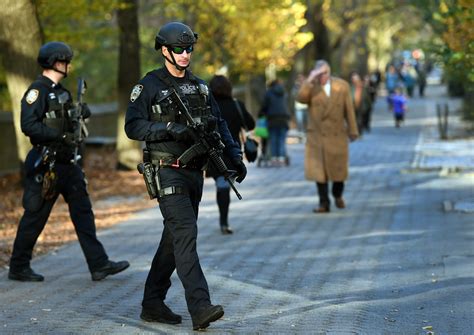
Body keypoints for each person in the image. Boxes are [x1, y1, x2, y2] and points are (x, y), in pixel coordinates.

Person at [125, 22, 247, 330]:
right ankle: (200, 306)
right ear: (165, 50)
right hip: (167, 171)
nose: (184, 54)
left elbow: (219, 125)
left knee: (174, 238)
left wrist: (235, 157)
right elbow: (133, 125)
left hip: (195, 173)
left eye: (189, 48)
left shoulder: (201, 86)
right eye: (178, 49)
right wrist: (167, 128)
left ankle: (152, 303)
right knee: (185, 235)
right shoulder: (149, 85)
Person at [8, 42, 130, 282]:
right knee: (35, 216)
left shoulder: (62, 91)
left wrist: (78, 113)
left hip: (68, 162)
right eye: (66, 61)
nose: (69, 65)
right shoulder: (38, 91)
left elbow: (67, 122)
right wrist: (57, 135)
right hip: (47, 163)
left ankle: (99, 264)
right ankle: (18, 266)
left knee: (83, 213)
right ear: (56, 62)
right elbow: (28, 125)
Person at [297, 60, 359, 213]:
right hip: (317, 136)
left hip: (337, 135)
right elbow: (300, 99)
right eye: (319, 73)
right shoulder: (311, 87)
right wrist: (310, 79)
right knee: (320, 173)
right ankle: (324, 203)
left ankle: (337, 194)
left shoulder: (342, 86)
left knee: (339, 171)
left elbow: (349, 110)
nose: (322, 76)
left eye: (325, 73)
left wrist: (353, 130)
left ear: (330, 73)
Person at [209, 75, 255, 235]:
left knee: (221, 184)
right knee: (224, 185)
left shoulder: (208, 106)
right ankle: (224, 221)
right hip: (231, 151)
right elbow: (251, 124)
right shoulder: (236, 105)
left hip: (211, 153)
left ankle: (223, 220)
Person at [259, 79, 291, 166]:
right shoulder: (284, 92)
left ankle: (274, 159)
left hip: (272, 119)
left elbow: (264, 106)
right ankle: (281, 158)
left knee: (273, 139)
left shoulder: (268, 93)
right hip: (284, 118)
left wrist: (261, 114)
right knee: (281, 139)